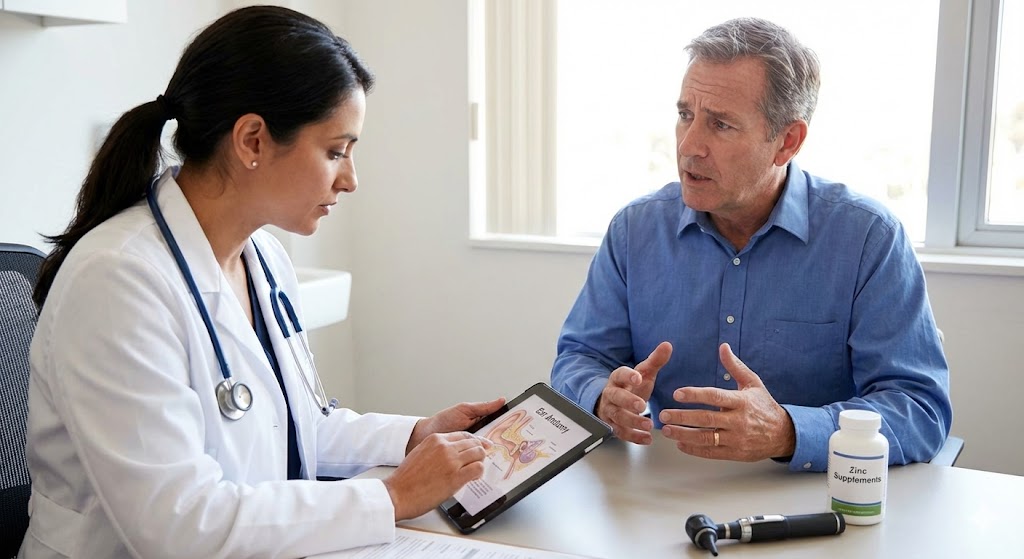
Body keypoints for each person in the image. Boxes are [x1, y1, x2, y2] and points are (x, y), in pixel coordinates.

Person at [21, 7, 502, 558]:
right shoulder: (118, 280)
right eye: (336, 151)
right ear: (252, 140)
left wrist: (417, 434)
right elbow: (178, 526)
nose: (350, 180)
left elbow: (295, 429)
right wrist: (392, 497)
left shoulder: (263, 259)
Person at [551, 17, 952, 473]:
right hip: (660, 490)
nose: (689, 146)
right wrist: (602, 398)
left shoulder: (868, 239)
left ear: (787, 142)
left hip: (809, 500)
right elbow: (579, 359)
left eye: (720, 124)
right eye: (685, 115)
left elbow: (919, 409)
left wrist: (788, 431)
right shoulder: (635, 230)